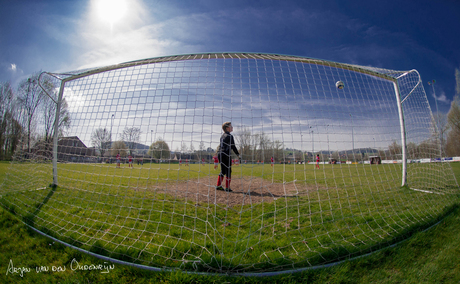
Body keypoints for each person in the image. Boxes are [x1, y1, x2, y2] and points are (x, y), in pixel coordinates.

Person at [216, 122, 240, 192]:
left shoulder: (222, 136)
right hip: (226, 154)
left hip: (220, 154)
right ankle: (227, 188)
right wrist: (238, 155)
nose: (232, 127)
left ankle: (218, 186)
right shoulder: (230, 136)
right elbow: (233, 146)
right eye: (230, 126)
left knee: (223, 170)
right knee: (228, 170)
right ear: (227, 128)